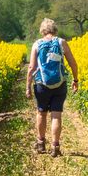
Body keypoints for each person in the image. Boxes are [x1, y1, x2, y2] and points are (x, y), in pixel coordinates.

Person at [26, 18, 79, 157]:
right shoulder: (61, 42)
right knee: (56, 115)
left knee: (41, 113)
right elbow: (73, 63)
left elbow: (31, 67)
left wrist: (28, 87)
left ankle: (40, 143)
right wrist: (75, 80)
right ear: (55, 29)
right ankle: (55, 147)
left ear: (42, 30)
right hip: (59, 84)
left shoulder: (37, 44)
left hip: (41, 84)